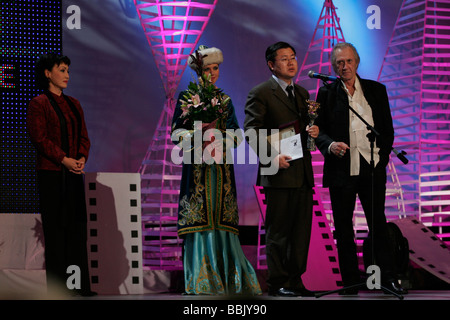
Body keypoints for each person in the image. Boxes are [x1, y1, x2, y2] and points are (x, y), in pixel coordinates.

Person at [314, 42, 406, 295]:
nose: (344, 67)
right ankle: (351, 281)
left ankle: (386, 277)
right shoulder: (327, 93)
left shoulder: (376, 90)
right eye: (339, 63)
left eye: (349, 61)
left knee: (378, 224)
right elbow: (318, 130)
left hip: (373, 168)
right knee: (344, 227)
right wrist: (330, 145)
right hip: (342, 169)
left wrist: (382, 158)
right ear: (333, 67)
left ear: (357, 62)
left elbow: (386, 130)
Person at [171, 45, 261, 296]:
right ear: (198, 72)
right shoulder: (187, 100)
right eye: (207, 69)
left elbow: (236, 135)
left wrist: (219, 137)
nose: (212, 73)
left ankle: (228, 278)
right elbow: (176, 134)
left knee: (222, 218)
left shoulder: (225, 101)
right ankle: (201, 279)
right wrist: (199, 135)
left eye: (215, 68)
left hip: (221, 170)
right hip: (197, 168)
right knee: (199, 218)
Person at [244, 41, 318, 297]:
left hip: (302, 172)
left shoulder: (302, 94)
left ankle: (296, 281)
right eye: (284, 58)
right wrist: (271, 158)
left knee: (300, 233)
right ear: (271, 65)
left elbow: (305, 131)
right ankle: (278, 283)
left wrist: (315, 133)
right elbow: (251, 131)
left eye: (293, 57)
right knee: (279, 232)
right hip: (278, 171)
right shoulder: (261, 92)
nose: (291, 62)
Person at [26, 53, 94, 296]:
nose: (67, 75)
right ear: (48, 73)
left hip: (74, 173)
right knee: (56, 232)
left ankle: (79, 286)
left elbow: (84, 137)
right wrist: (64, 160)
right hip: (52, 175)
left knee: (77, 229)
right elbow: (40, 138)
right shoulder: (39, 103)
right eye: (62, 70)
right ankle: (58, 289)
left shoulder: (74, 103)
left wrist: (81, 159)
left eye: (68, 70)